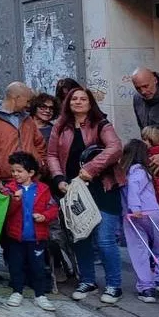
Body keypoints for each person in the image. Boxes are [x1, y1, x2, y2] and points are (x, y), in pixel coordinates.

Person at [44, 86, 124, 305]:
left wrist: (91, 168)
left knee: (105, 239)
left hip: (103, 188)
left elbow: (115, 148)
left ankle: (114, 285)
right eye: (74, 99)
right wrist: (58, 178)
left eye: (83, 99)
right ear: (68, 103)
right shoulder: (60, 126)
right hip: (73, 189)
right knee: (80, 237)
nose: (78, 102)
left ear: (90, 103)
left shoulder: (102, 124)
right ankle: (87, 280)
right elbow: (51, 154)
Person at [1, 152, 58, 312]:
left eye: (19, 171)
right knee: (16, 266)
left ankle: (40, 295)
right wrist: (15, 200)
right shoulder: (9, 189)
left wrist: (44, 216)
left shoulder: (43, 189)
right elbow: (6, 212)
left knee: (38, 267)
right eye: (13, 171)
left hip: (37, 237)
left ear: (31, 172)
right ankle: (16, 291)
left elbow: (53, 209)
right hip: (15, 237)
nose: (15, 174)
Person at [115, 138, 159, 304]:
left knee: (139, 250)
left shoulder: (124, 173)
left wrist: (133, 208)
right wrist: (136, 206)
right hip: (151, 212)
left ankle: (146, 287)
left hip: (132, 216)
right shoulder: (141, 170)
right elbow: (135, 186)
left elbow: (131, 188)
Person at [0, 82, 44, 190]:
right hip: (4, 183)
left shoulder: (27, 119)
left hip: (30, 181)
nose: (29, 105)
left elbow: (40, 144)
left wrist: (40, 169)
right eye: (27, 101)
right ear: (16, 98)